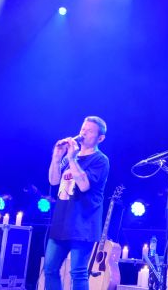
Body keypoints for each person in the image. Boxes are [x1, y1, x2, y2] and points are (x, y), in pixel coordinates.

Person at [43, 116, 111, 290]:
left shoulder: (100, 160)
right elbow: (53, 181)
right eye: (83, 128)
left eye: (89, 131)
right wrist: (57, 158)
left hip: (83, 225)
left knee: (78, 273)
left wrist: (72, 159)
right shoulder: (68, 158)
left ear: (100, 138)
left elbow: (84, 185)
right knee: (50, 269)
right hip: (61, 223)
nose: (83, 133)